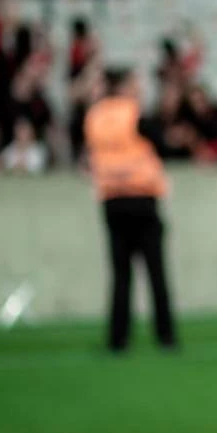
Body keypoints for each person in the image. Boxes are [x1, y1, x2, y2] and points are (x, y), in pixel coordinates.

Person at [85, 68, 179, 354]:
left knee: (120, 274)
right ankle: (165, 335)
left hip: (112, 199)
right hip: (142, 197)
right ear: (123, 87)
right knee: (155, 271)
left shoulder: (94, 117)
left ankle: (118, 338)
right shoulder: (134, 114)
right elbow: (163, 146)